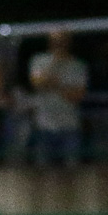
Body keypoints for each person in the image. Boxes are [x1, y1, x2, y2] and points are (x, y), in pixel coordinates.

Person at [28, 30, 87, 166]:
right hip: (44, 125)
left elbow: (77, 96)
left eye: (62, 40)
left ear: (68, 42)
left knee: (72, 168)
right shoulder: (39, 60)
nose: (59, 44)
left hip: (70, 126)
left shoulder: (78, 65)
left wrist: (53, 85)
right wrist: (56, 63)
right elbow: (37, 84)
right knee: (43, 169)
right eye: (56, 40)